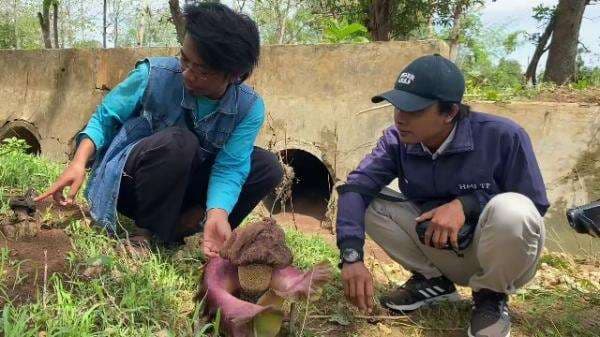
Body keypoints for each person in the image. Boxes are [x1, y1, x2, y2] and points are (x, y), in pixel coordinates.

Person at [36, 2, 283, 258]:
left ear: (234, 75)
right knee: (180, 141)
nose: (187, 74)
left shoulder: (249, 107)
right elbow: (104, 118)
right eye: (184, 59)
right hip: (134, 185)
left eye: (202, 71)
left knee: (266, 166)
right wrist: (78, 162)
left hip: (182, 189)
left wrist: (217, 211)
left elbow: (230, 167)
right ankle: (144, 232)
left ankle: (188, 227)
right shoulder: (154, 74)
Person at [336, 54, 549, 337]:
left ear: (449, 112)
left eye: (414, 111)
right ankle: (433, 282)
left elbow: (534, 204)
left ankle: (490, 297)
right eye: (398, 106)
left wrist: (467, 204)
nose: (400, 118)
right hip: (439, 249)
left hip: (496, 255)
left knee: (514, 209)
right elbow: (356, 187)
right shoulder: (397, 140)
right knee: (367, 200)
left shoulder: (503, 136)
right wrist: (351, 257)